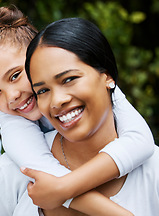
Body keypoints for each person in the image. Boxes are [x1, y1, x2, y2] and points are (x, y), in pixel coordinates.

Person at [0, 6, 154, 215]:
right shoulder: (13, 148)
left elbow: (140, 140)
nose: (11, 96)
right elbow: (43, 174)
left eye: (15, 76)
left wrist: (65, 189)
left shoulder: (152, 172)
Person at [23, 17, 159, 215]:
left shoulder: (154, 171)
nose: (56, 101)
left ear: (107, 76)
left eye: (69, 79)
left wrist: (64, 190)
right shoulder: (17, 170)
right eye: (42, 91)